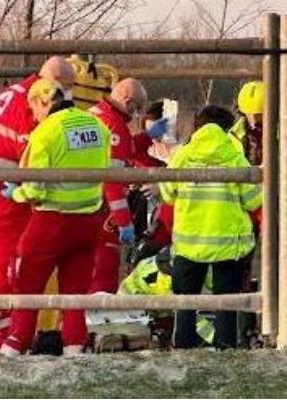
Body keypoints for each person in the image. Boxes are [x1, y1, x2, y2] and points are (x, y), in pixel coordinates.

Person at [0, 78, 111, 356]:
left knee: (26, 281)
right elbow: (106, 169)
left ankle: (16, 343)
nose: (34, 116)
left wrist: (15, 194)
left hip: (52, 222)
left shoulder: (45, 132)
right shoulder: (97, 126)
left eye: (34, 108)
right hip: (89, 221)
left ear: (43, 101)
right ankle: (74, 345)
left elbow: (35, 186)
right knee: (75, 290)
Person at [0, 57, 76, 339]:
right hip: (9, 189)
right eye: (65, 87)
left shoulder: (16, 92)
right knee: (12, 261)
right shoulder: (33, 101)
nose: (68, 95)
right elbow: (33, 151)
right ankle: (3, 330)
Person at [160, 105, 262, 349]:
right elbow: (254, 200)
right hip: (228, 243)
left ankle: (184, 345)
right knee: (225, 301)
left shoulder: (182, 156)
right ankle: (225, 347)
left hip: (189, 242)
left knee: (186, 299)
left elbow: (167, 194)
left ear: (197, 126)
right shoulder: (235, 157)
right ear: (227, 130)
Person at [88, 78, 148, 294]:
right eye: (137, 107)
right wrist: (124, 221)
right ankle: (98, 319)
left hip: (86, 202)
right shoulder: (115, 124)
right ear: (127, 100)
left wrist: (148, 137)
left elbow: (125, 150)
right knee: (104, 268)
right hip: (104, 208)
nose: (137, 114)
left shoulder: (95, 113)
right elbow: (113, 178)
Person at [230, 81, 264, 165]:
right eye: (250, 114)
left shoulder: (285, 135)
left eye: (259, 115)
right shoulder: (233, 137)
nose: (254, 119)